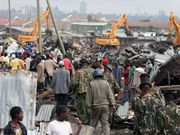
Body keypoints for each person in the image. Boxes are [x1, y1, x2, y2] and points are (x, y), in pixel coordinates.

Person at [86, 69, 116, 135]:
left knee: (92, 124)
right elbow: (110, 95)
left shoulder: (91, 84)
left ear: (94, 76)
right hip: (105, 106)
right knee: (105, 124)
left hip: (95, 107)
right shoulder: (106, 83)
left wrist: (88, 107)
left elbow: (89, 97)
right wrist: (113, 104)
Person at [70, 59, 93, 124]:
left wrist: (72, 90)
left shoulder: (79, 72)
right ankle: (88, 121)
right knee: (88, 106)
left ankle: (84, 122)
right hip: (90, 92)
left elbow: (74, 83)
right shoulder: (92, 71)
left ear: (81, 64)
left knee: (81, 107)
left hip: (81, 92)